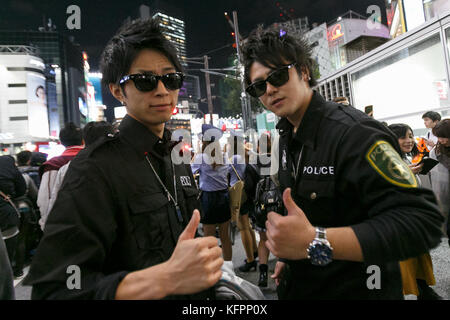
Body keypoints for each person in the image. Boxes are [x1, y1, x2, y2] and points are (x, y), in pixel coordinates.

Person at [23, 18, 223, 300]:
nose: (162, 90)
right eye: (144, 81)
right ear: (118, 91)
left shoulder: (176, 154)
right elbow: (55, 289)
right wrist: (160, 280)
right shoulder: (94, 169)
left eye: (171, 78)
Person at [241, 26, 444, 299]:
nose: (270, 89)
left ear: (303, 71)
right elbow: (311, 217)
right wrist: (292, 258)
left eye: (277, 75)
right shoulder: (287, 137)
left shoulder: (354, 133)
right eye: (258, 86)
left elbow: (421, 224)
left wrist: (315, 241)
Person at [388, 123, 441, 300]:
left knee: (420, 257)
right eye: (403, 137)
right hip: (399, 219)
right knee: (406, 262)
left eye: (410, 136)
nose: (409, 140)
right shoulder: (387, 161)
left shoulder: (405, 160)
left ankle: (424, 291)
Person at [41, 121, 115, 230]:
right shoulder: (123, 163)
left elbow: (46, 201)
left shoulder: (56, 166)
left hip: (76, 229)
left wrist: (48, 228)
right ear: (82, 141)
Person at [191, 124, 233, 265]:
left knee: (208, 237)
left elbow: (190, 173)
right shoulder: (224, 157)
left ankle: (212, 268)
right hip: (224, 197)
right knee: (225, 237)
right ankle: (229, 269)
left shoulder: (201, 157)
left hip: (208, 199)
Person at [37, 122, 84, 230]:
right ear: (83, 140)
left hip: (66, 224)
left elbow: (45, 200)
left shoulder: (53, 165)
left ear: (61, 142)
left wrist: (46, 227)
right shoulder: (95, 159)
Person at [244, 133, 273, 287]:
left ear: (258, 146)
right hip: (279, 208)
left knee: (263, 240)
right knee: (282, 238)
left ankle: (263, 273)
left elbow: (248, 189)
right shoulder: (279, 160)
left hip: (262, 210)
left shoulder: (253, 164)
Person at [228, 135, 258, 273]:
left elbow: (225, 172)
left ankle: (250, 260)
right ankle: (255, 250)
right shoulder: (245, 155)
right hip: (246, 192)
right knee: (248, 225)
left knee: (243, 227)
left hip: (237, 194)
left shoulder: (234, 158)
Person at [0, 155, 27, 278]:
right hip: (6, 214)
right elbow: (22, 189)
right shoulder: (10, 169)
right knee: (12, 245)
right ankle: (15, 271)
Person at [432, 119, 450, 245]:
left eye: (444, 137)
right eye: (439, 137)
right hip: (446, 191)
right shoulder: (436, 151)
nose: (441, 140)